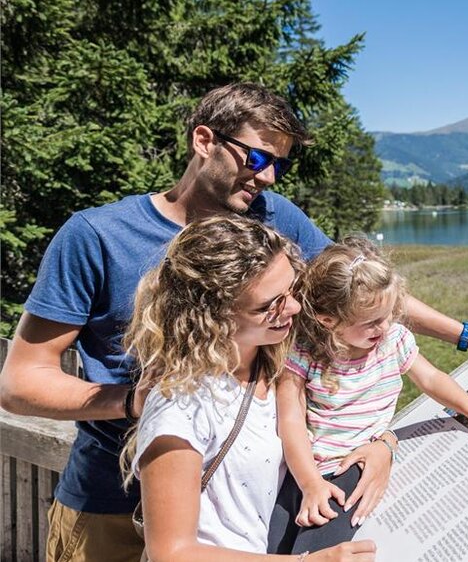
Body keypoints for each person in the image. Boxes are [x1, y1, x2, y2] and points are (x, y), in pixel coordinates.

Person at [0, 83, 468, 562]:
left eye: (280, 163)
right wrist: (141, 400)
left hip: (246, 510)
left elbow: (362, 296)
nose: (269, 176)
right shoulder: (96, 236)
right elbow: (21, 384)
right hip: (111, 506)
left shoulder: (274, 222)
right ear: (204, 139)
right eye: (257, 156)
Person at [121, 215, 375, 560]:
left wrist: (383, 445)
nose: (295, 307)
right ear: (214, 316)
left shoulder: (276, 361)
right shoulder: (180, 406)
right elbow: (172, 552)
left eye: (292, 289)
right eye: (269, 305)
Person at [268, 239, 468, 554]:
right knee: (270, 550)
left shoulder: (393, 340)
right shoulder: (305, 352)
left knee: (316, 551)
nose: (384, 325)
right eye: (371, 322)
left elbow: (430, 377)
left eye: (389, 313)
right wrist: (310, 482)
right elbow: (291, 419)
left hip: (350, 470)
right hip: (306, 471)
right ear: (329, 320)